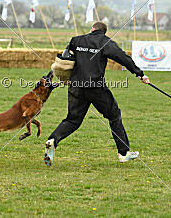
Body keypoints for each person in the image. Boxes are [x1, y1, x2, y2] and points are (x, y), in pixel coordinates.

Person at [44, 21, 149, 166]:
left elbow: (65, 57)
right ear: (103, 32)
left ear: (92, 29)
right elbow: (123, 58)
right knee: (114, 115)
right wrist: (139, 74)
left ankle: (53, 139)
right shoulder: (106, 42)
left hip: (76, 86)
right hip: (95, 87)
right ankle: (124, 153)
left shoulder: (76, 40)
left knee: (72, 120)